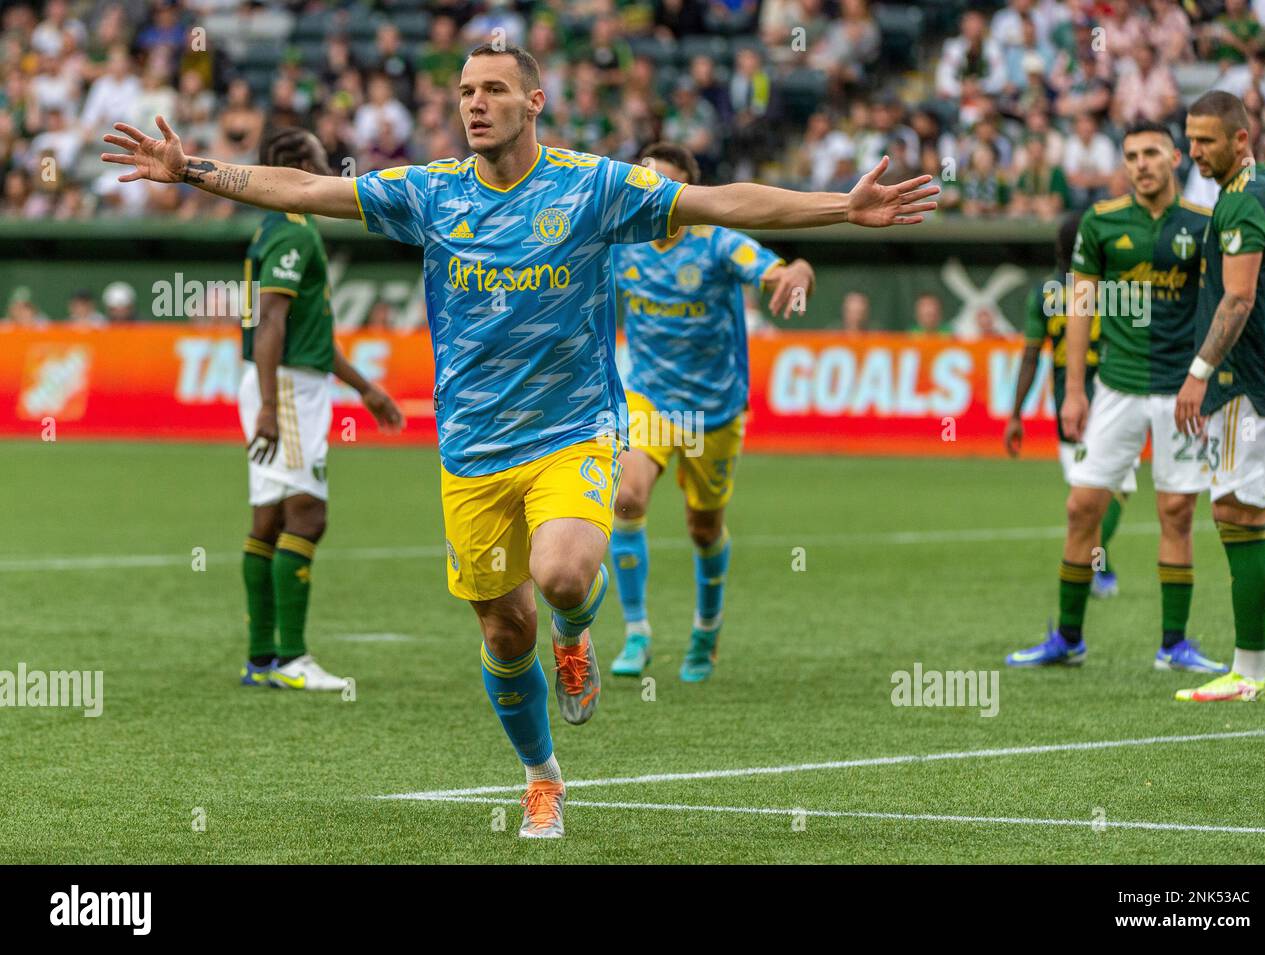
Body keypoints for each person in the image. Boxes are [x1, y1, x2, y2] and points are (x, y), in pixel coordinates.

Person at [101, 43, 937, 839]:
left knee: (564, 574)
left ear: (534, 101)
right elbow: (308, 189)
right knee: (504, 632)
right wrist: (195, 171)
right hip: (470, 450)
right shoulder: (429, 193)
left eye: (494, 89)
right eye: (465, 91)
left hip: (574, 428)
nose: (475, 102)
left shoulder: (591, 188)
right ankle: (542, 774)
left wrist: (840, 208)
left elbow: (719, 203)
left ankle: (578, 635)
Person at [1006, 121, 1225, 673]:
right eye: (1131, 155)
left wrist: (1210, 378)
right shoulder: (1101, 224)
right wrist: (1075, 391)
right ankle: (1069, 639)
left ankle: (1174, 644)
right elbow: (1079, 308)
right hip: (1116, 390)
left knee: (1176, 512)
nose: (1141, 163)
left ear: (1175, 157)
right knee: (1082, 507)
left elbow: (1225, 305)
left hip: (1182, 392)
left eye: (1152, 152)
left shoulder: (1204, 226)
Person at [606, 141, 815, 681]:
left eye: (665, 185)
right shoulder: (619, 243)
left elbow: (771, 269)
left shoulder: (717, 243)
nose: (651, 192)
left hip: (714, 409)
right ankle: (636, 632)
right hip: (647, 395)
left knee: (703, 528)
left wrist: (798, 270)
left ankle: (706, 629)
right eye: (644, 180)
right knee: (626, 498)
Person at [237, 127, 405, 691]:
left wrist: (365, 387)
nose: (329, 164)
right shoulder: (293, 231)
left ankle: (262, 659)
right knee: (309, 514)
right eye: (316, 158)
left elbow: (307, 328)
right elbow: (272, 323)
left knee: (271, 517)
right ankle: (291, 659)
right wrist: (268, 405)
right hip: (284, 387)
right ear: (292, 165)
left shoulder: (281, 228)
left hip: (282, 381)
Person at [1173, 91, 1265, 702]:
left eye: (1206, 140)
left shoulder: (1245, 203)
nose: (1193, 150)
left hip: (1248, 382)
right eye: (1190, 139)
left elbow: (1241, 298)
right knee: (1241, 510)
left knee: (1236, 515)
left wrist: (1199, 371)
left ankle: (1249, 674)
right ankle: (1249, 670)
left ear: (1240, 139)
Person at [1005, 213, 1133, 598]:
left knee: (1086, 491)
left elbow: (1031, 356)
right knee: (1116, 489)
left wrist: (1015, 414)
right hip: (1112, 399)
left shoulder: (1044, 294)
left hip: (1068, 404)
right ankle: (1095, 565)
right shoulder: (1113, 289)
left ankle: (1094, 565)